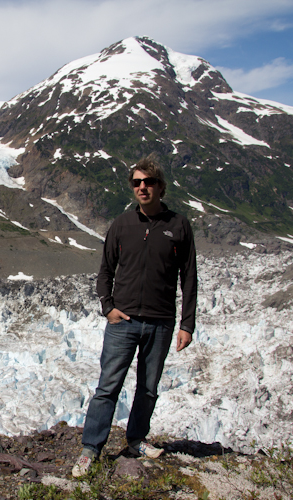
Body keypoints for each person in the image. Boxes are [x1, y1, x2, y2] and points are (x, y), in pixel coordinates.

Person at [72, 153, 197, 477]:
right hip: (123, 321)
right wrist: (107, 306)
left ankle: (137, 439)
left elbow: (189, 276)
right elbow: (105, 271)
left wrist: (187, 323)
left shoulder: (178, 225)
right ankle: (91, 449)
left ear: (160, 186)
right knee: (107, 386)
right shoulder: (122, 224)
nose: (142, 187)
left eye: (148, 182)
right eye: (137, 182)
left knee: (148, 387)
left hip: (161, 321)